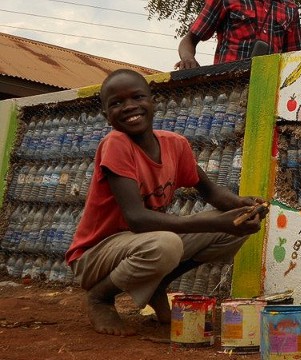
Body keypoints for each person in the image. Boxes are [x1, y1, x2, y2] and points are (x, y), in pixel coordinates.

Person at [65, 69, 268, 336]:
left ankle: (158, 285)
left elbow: (210, 193)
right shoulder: (116, 143)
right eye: (116, 103)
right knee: (167, 244)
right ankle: (100, 297)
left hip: (140, 245)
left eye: (137, 97)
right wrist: (213, 220)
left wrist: (243, 204)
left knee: (232, 226)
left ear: (152, 100)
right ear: (106, 115)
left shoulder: (175, 145)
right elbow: (137, 218)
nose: (129, 107)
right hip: (95, 255)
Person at [175, 0, 301, 69]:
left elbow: (294, 60)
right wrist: (187, 58)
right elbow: (190, 40)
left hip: (267, 91)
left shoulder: (290, 9)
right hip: (226, 88)